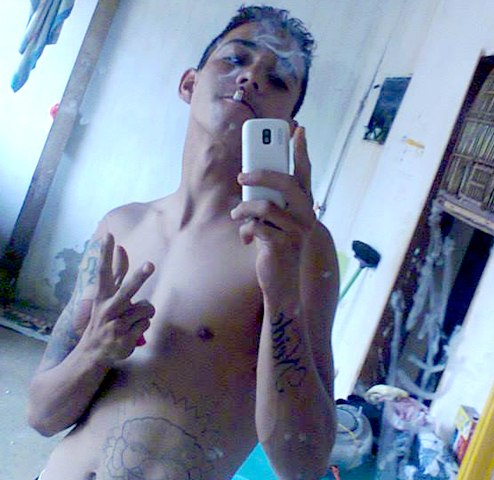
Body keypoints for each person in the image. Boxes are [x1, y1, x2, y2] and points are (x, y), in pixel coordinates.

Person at [26, 5, 339, 480]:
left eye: (277, 79)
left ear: (289, 128)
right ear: (189, 84)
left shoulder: (296, 246)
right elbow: (42, 416)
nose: (251, 77)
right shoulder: (121, 226)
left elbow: (303, 463)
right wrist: (95, 350)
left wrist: (281, 293)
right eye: (235, 59)